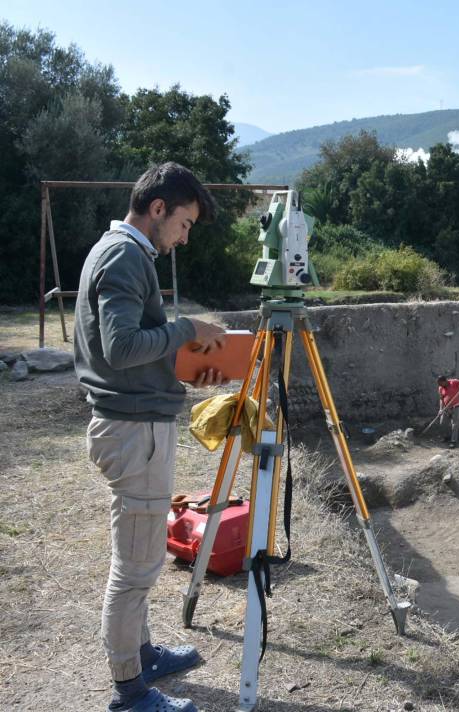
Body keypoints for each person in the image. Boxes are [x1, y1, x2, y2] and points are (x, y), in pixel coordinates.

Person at [75, 162, 228, 712]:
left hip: (138, 424)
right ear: (158, 209)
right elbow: (119, 348)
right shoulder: (123, 256)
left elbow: (134, 349)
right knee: (136, 567)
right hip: (133, 430)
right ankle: (130, 691)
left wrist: (187, 364)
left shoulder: (123, 253)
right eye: (184, 223)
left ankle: (140, 655)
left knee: (140, 558)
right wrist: (188, 330)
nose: (185, 238)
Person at [436, 375, 459, 448]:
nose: (439, 385)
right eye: (438, 384)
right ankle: (446, 437)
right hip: (446, 408)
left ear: (445, 381)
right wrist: (441, 409)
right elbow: (441, 399)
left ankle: (453, 441)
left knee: (454, 424)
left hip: (456, 407)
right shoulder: (441, 388)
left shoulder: (454, 382)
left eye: (440, 383)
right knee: (442, 422)